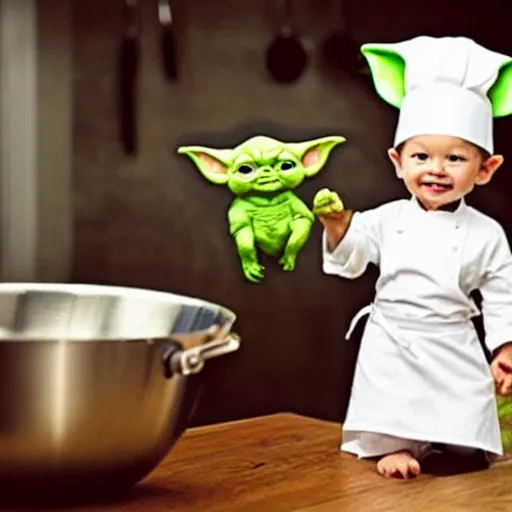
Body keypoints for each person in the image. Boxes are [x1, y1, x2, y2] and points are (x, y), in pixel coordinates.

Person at [313, 35, 512, 479]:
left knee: (464, 418)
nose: (436, 169)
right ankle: (396, 447)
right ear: (398, 161)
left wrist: (504, 345)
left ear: (485, 169)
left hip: (453, 340)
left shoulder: (487, 234)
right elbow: (353, 254)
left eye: (455, 158)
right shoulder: (385, 219)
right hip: (394, 338)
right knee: (391, 398)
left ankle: (456, 446)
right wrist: (337, 225)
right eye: (421, 156)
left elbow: (502, 292)